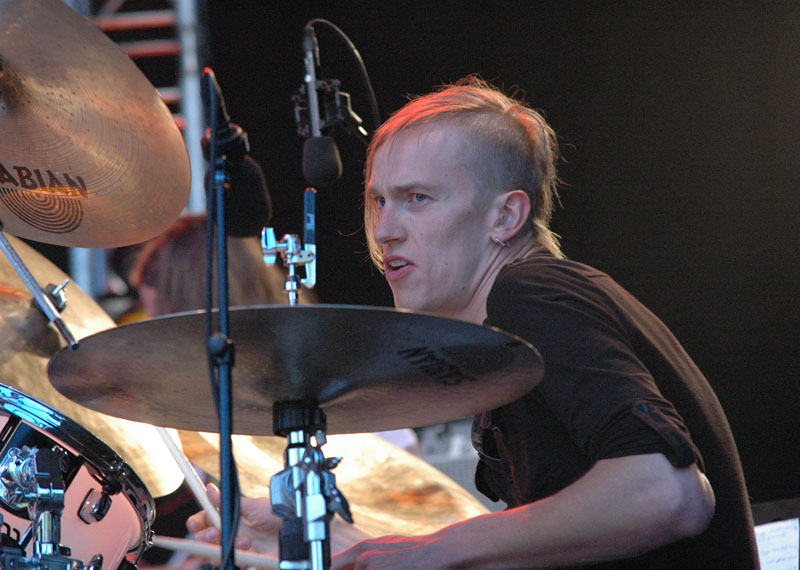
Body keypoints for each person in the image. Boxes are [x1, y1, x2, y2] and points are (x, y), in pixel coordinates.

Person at [190, 77, 760, 568]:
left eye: (417, 198)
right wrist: (339, 540)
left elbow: (670, 492)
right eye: (379, 201)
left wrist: (442, 549)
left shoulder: (534, 292)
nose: (385, 229)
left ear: (506, 216)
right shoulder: (512, 336)